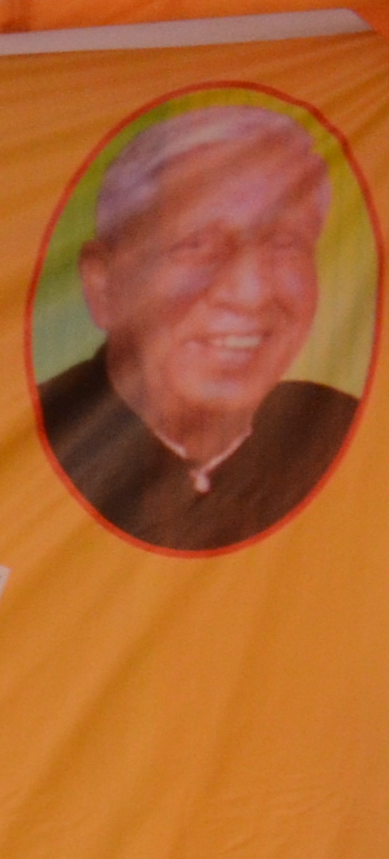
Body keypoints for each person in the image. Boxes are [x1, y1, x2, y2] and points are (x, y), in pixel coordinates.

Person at [40, 103, 356, 551]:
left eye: (286, 243)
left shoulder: (345, 436)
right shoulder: (27, 442)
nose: (250, 292)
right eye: (196, 244)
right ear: (103, 284)